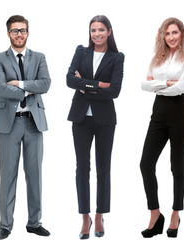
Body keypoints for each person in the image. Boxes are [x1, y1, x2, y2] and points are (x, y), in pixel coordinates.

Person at [0, 15, 51, 240]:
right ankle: (5, 225)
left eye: (23, 30)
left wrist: (20, 84)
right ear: (8, 34)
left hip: (34, 122)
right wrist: (30, 89)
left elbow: (46, 84)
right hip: (10, 123)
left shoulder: (39, 57)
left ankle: (34, 223)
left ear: (28, 32)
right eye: (15, 31)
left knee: (35, 175)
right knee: (7, 175)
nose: (19, 34)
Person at [66, 15, 124, 239]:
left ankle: (99, 215)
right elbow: (70, 80)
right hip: (81, 118)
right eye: (93, 30)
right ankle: (84, 217)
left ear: (109, 31)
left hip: (105, 120)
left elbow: (115, 91)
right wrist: (99, 85)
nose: (96, 34)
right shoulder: (81, 52)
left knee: (103, 169)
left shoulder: (117, 58)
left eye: (101, 30)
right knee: (82, 169)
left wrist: (85, 85)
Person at [139, 17, 184, 238]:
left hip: (180, 114)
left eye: (175, 33)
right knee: (145, 164)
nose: (171, 37)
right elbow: (144, 84)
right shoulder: (157, 59)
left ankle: (175, 213)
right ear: (163, 36)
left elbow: (180, 89)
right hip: (158, 114)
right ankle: (155, 213)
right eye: (167, 33)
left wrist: (160, 85)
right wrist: (169, 83)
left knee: (177, 167)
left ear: (182, 34)